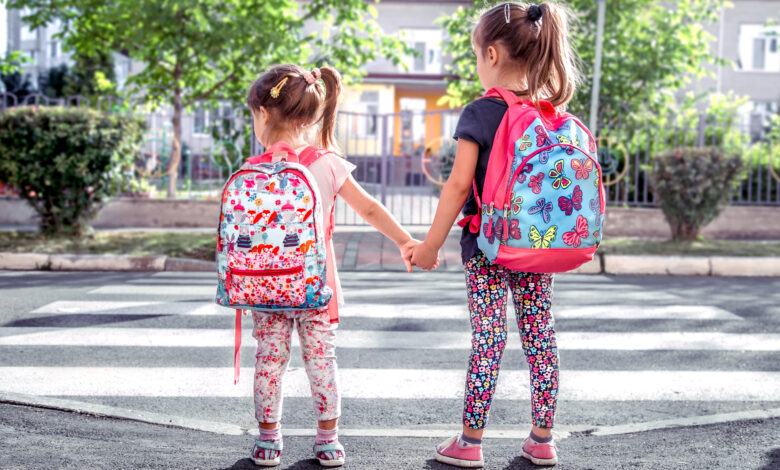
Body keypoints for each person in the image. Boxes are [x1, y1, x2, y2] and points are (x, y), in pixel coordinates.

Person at [410, 2, 580, 467]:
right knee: (540, 333)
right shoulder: (552, 113)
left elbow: (458, 186)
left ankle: (470, 441)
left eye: (475, 56)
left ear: (490, 53)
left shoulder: (481, 113)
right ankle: (542, 438)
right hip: (538, 245)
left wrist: (428, 247)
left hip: (487, 246)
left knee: (488, 337)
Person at [244, 64, 424, 467]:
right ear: (311, 115)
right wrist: (405, 241)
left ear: (264, 113)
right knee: (322, 359)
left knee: (270, 361)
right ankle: (328, 441)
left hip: (267, 285)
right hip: (317, 284)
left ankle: (269, 440)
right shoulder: (328, 163)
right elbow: (370, 209)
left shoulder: (253, 169)